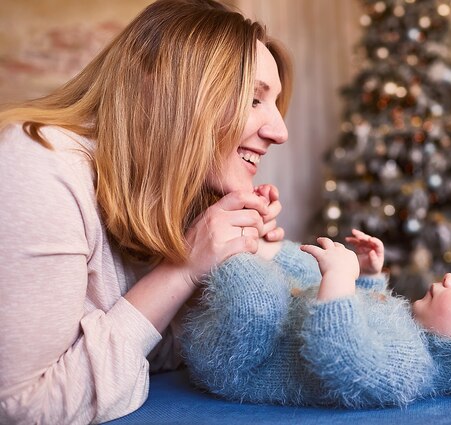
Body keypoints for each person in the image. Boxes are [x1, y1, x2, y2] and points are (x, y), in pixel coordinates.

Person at [0, 1, 292, 423]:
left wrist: (232, 267)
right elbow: (22, 407)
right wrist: (181, 271)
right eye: (252, 99)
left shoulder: (175, 188)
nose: (279, 130)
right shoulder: (37, 165)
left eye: (274, 103)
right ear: (168, 93)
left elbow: (164, 355)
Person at [181, 229, 451, 408]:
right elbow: (374, 317)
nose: (450, 276)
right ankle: (252, 242)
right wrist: (368, 279)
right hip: (285, 317)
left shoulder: (410, 369)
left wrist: (341, 281)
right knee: (310, 263)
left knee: (259, 297)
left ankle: (218, 246)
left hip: (242, 360)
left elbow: (344, 358)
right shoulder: (414, 334)